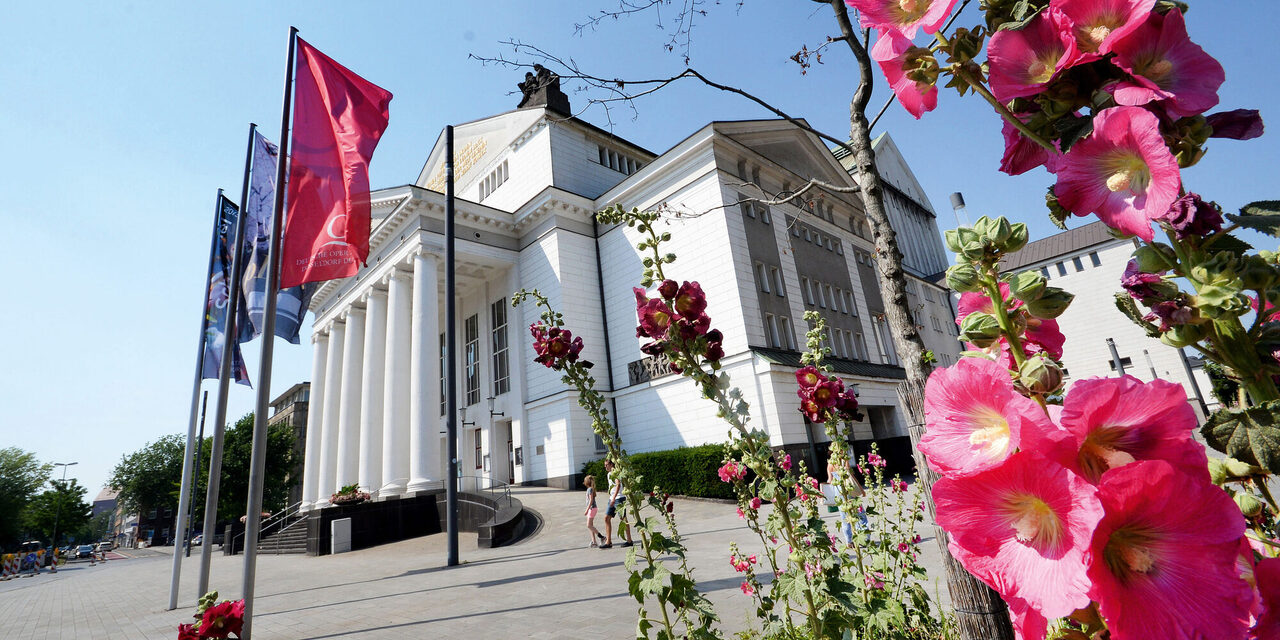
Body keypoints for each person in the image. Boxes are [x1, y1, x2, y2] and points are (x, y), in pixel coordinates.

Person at [827, 451, 869, 544]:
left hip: (838, 491)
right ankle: (864, 538)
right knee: (860, 513)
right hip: (849, 489)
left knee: (844, 517)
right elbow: (851, 476)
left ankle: (849, 541)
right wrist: (861, 489)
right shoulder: (843, 461)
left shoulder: (830, 464)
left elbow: (829, 480)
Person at [601, 460, 633, 549]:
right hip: (612, 499)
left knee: (623, 519)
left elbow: (618, 485)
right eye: (605, 465)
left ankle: (629, 540)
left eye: (607, 465)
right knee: (606, 518)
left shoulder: (616, 473)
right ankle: (608, 542)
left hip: (619, 499)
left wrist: (614, 498)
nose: (605, 467)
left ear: (611, 464)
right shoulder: (608, 474)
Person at [583, 476, 605, 548]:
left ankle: (602, 537)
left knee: (589, 525)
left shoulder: (590, 489)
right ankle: (594, 542)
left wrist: (587, 509)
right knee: (591, 526)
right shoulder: (590, 489)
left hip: (592, 509)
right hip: (591, 509)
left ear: (587, 482)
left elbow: (591, 500)